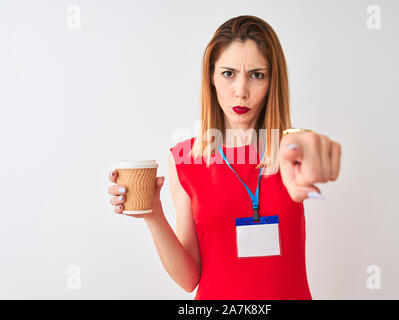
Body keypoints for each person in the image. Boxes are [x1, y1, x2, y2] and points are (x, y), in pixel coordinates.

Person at [107, 15, 341, 299]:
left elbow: (318, 155)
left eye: (257, 75)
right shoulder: (185, 158)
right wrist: (153, 214)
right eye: (228, 73)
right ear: (212, 77)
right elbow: (189, 279)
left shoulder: (293, 149)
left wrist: (318, 157)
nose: (241, 92)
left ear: (271, 81)